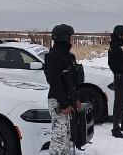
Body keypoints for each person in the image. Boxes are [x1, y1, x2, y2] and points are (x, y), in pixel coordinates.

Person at [44, 24, 81, 155]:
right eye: (71, 36)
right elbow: (55, 83)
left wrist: (76, 99)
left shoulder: (68, 56)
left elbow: (71, 82)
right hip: (58, 101)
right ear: (64, 38)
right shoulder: (54, 56)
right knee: (59, 138)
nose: (72, 39)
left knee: (68, 137)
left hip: (69, 99)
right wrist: (64, 104)